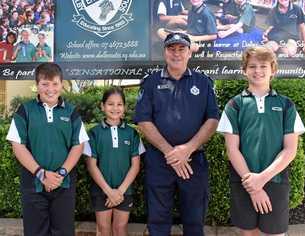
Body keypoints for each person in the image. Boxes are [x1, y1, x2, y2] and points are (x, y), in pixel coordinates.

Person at [134, 32, 219, 236]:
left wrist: (186, 150)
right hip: (159, 161)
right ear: (164, 52)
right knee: (158, 221)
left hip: (193, 161)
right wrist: (171, 153)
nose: (176, 53)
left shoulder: (203, 82)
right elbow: (144, 121)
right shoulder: (151, 82)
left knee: (194, 221)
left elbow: (213, 120)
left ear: (190, 53)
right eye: (172, 49)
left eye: (182, 49)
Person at [217, 46, 305, 236]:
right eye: (252, 66)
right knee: (248, 232)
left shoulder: (286, 105)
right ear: (244, 70)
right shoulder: (234, 105)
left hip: (276, 180)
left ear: (273, 70)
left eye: (263, 66)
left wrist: (262, 179)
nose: (258, 71)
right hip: (243, 181)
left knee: (274, 233)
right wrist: (253, 186)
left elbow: (290, 150)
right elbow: (232, 149)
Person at [6, 62, 89, 236]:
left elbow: (78, 145)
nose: (50, 89)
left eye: (55, 84)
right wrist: (41, 174)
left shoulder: (71, 112)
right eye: (45, 84)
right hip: (33, 185)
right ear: (37, 85)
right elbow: (18, 145)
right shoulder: (25, 111)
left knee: (64, 232)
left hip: (63, 184)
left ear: (62, 84)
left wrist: (61, 173)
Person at [84, 87, 144, 236]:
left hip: (124, 191)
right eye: (110, 104)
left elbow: (135, 166)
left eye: (119, 104)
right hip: (101, 190)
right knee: (104, 229)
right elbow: (91, 166)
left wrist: (119, 192)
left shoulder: (132, 133)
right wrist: (109, 192)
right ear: (102, 106)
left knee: (120, 229)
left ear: (124, 107)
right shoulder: (93, 133)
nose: (115, 108)